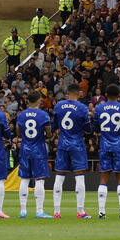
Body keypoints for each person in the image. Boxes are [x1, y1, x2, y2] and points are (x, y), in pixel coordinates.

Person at [51, 83, 92, 219]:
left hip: (62, 144)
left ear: (67, 92)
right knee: (79, 177)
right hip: (77, 145)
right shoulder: (82, 108)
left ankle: (56, 212)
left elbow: (55, 126)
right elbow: (88, 129)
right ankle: (80, 211)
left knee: (59, 176)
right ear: (79, 93)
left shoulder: (58, 106)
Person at [94, 83, 120, 218]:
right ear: (118, 95)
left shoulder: (99, 108)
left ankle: (101, 212)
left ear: (106, 94)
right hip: (119, 146)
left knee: (104, 177)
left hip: (105, 145)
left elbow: (96, 128)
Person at [16, 90, 52, 218]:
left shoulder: (21, 115)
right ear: (39, 101)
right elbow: (48, 133)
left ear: (27, 101)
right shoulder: (43, 115)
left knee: (24, 180)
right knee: (39, 180)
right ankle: (39, 211)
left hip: (25, 149)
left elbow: (18, 132)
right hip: (39, 149)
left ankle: (23, 211)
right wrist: (47, 135)